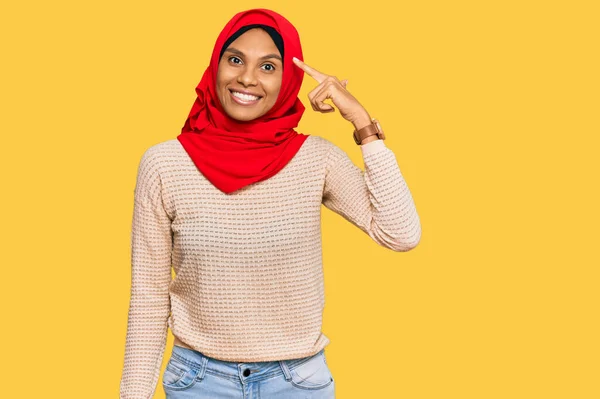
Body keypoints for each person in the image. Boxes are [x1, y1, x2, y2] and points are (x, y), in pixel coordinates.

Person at [119, 7, 421, 399]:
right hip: (198, 382)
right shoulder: (164, 164)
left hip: (297, 382)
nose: (246, 78)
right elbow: (148, 297)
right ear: (216, 66)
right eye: (235, 60)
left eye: (268, 67)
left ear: (288, 80)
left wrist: (362, 123)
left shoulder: (316, 159)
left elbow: (401, 233)